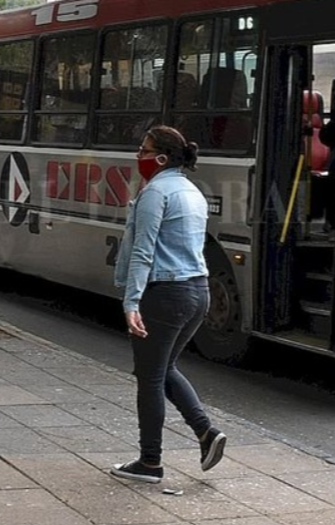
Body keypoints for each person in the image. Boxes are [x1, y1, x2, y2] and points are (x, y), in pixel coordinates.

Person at [109, 125, 227, 484]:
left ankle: (150, 462)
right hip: (197, 292)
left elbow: (144, 251)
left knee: (150, 378)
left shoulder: (155, 193)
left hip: (164, 295)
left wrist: (131, 302)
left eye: (143, 149)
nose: (137, 156)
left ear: (160, 157)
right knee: (163, 369)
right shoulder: (192, 192)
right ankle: (206, 434)